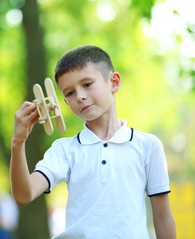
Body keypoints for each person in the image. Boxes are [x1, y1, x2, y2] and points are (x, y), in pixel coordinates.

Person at [10, 45, 176, 238]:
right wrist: (17, 143)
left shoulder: (148, 145)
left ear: (113, 82)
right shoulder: (65, 150)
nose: (80, 96)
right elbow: (24, 195)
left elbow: (163, 218)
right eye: (69, 93)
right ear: (65, 101)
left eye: (87, 84)